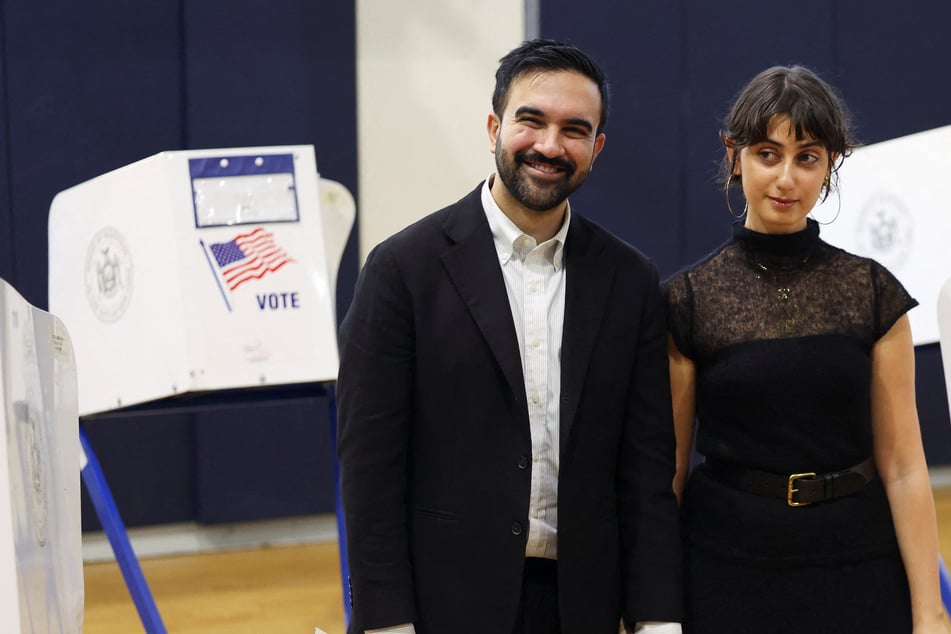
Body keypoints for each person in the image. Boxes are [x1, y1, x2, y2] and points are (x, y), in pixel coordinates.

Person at [337, 39, 683, 634]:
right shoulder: (401, 272)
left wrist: (657, 619)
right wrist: (386, 621)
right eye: (531, 121)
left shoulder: (630, 281)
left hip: (580, 607)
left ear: (596, 149)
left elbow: (646, 473)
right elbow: (370, 471)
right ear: (495, 127)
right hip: (441, 606)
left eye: (574, 130)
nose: (550, 145)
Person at [664, 65, 948, 633]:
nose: (787, 178)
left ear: (831, 164)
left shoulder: (873, 293)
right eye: (768, 154)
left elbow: (904, 467)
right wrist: (655, 612)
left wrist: (931, 612)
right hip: (723, 572)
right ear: (734, 155)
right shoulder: (688, 300)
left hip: (859, 568)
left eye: (808, 157)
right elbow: (667, 476)